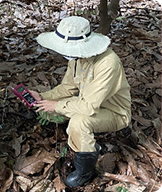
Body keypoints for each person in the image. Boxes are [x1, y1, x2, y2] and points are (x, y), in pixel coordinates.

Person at [27, 16, 131, 187]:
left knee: (79, 122)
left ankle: (85, 172)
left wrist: (57, 106)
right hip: (88, 103)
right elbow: (67, 87)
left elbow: (89, 107)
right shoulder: (77, 59)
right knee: (49, 110)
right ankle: (78, 143)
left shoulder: (108, 62)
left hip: (114, 112)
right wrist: (43, 97)